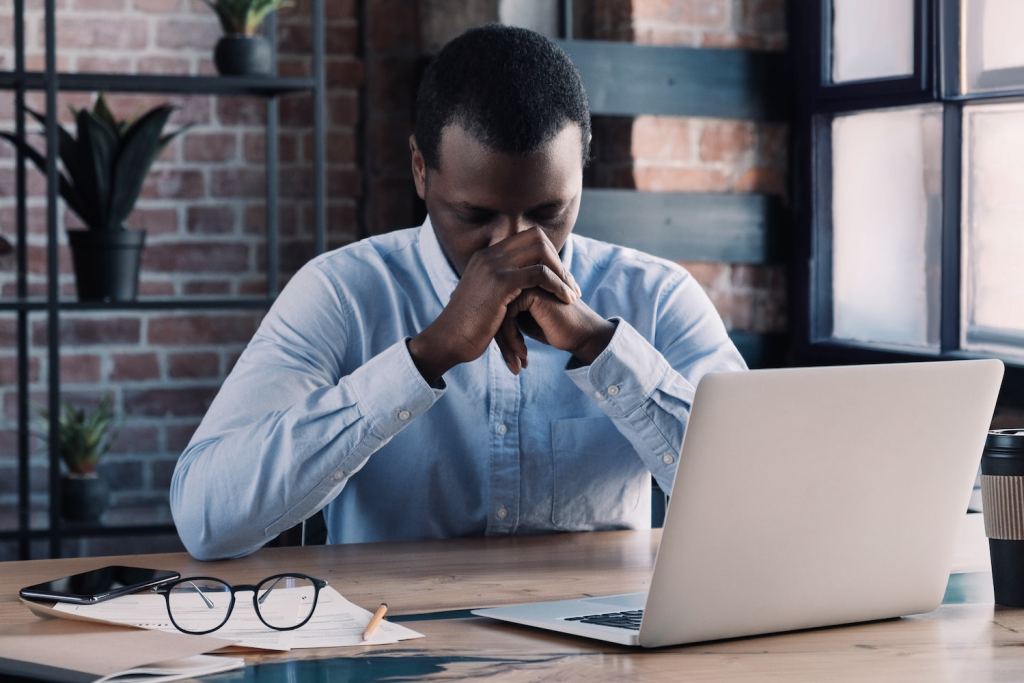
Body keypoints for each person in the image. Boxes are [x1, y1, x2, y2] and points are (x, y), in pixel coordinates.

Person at [170, 24, 746, 561]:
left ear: (581, 174)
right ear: (421, 170)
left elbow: (764, 504)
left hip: (601, 658)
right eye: (475, 214)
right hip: (392, 653)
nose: (516, 243)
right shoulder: (342, 292)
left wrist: (601, 347)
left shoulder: (659, 296)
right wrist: (425, 357)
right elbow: (207, 522)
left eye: (549, 211)